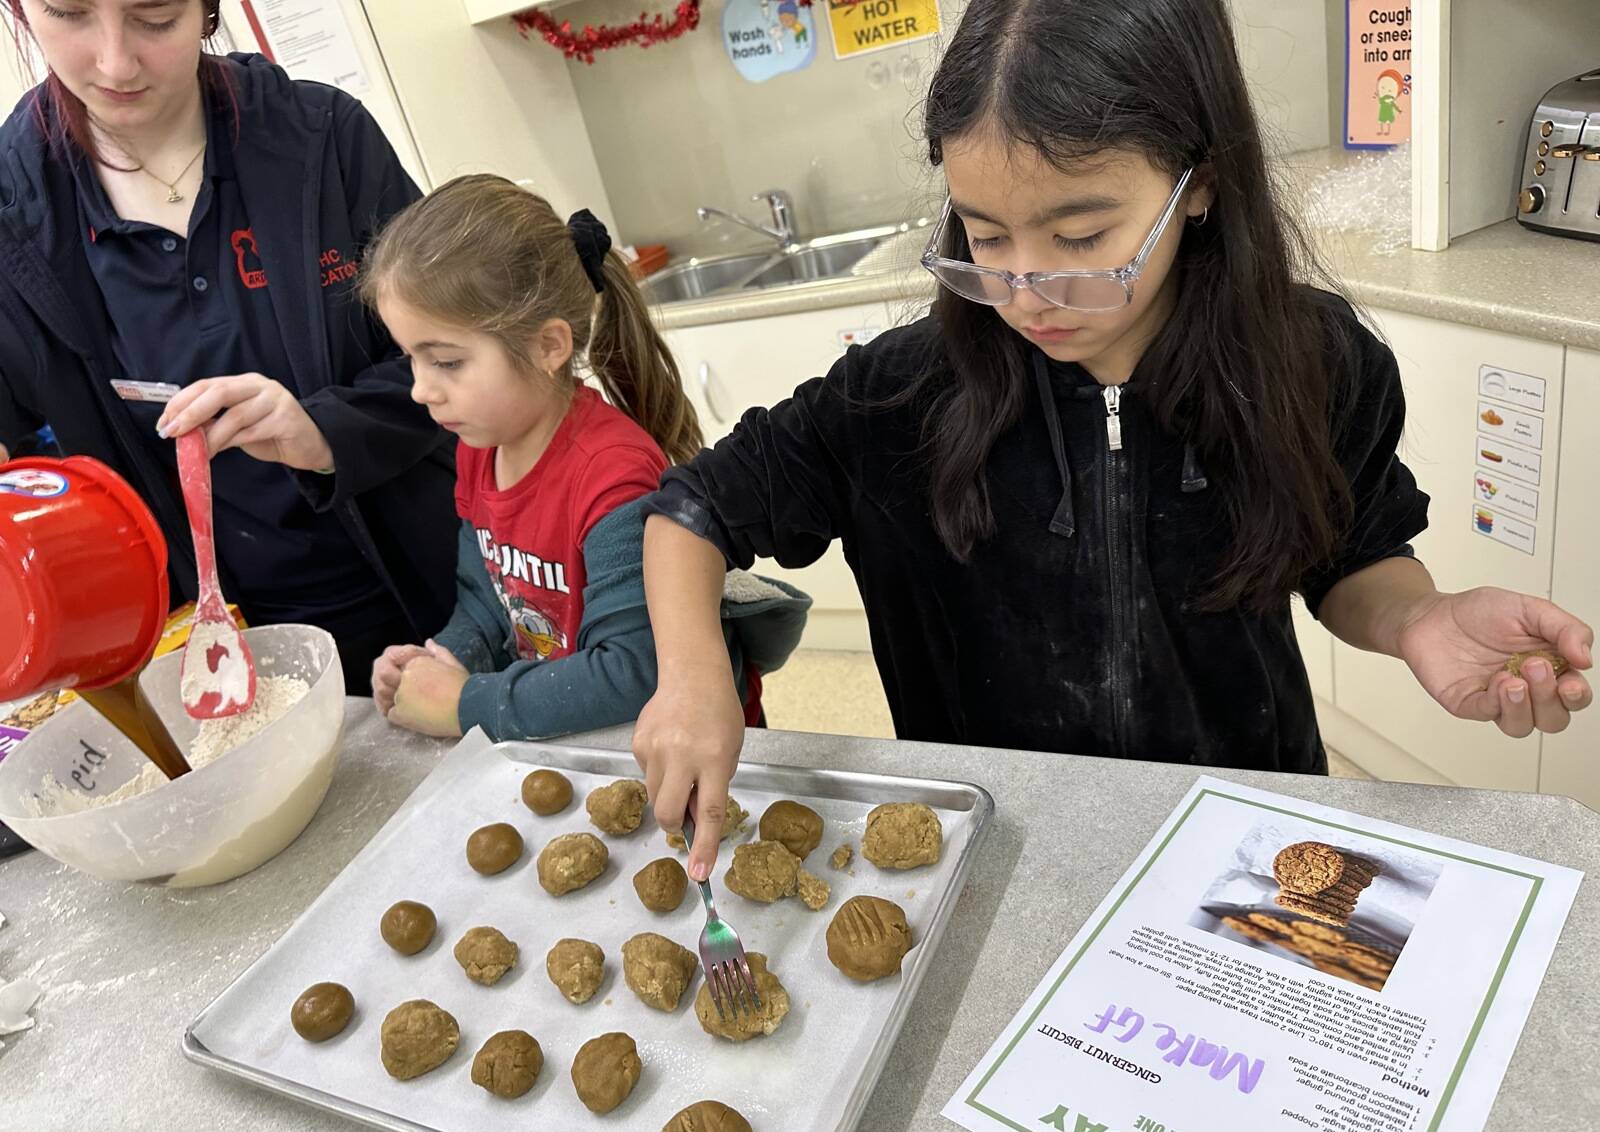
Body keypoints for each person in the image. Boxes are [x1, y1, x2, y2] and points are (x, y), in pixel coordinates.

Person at [632, 0, 1594, 880]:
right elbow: (694, 508)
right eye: (985, 237)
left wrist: (1415, 618)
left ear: (1199, 188)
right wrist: (690, 680)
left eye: (1083, 238)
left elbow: (1352, 553)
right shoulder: (899, 396)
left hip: (1247, 827)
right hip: (1005, 847)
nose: (1025, 291)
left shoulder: (1313, 361)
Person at [0, 1, 456, 694]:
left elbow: (462, 357)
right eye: (69, 13)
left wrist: (324, 430)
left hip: (430, 609)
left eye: (155, 17)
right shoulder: (14, 218)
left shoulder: (326, 139)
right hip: (195, 659)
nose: (116, 61)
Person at [361, 176, 808, 740]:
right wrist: (442, 662)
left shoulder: (612, 476)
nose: (420, 390)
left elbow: (634, 674)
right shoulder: (480, 448)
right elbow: (485, 598)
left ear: (548, 346)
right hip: (578, 732)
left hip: (684, 746)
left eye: (446, 362)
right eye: (412, 361)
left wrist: (467, 704)